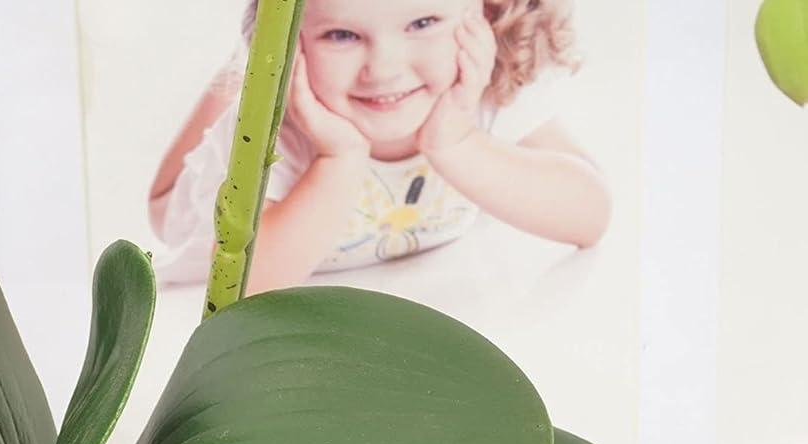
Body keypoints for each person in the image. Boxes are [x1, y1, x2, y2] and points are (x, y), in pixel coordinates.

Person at [148, 0, 611, 292]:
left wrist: (457, 142)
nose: (385, 69)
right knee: (165, 200)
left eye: (423, 21)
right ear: (290, 41)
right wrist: (339, 158)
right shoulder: (275, 127)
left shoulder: (487, 87)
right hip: (188, 213)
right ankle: (239, 71)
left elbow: (590, 217)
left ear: (486, 12)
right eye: (342, 35)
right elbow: (244, 287)